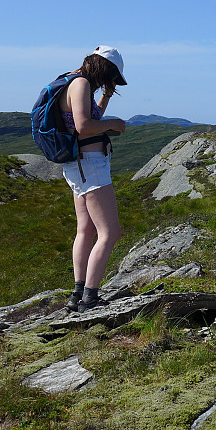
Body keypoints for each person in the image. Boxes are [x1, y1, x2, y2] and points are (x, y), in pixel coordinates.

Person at [59, 45, 128, 313]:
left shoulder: (72, 80)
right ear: (104, 68)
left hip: (79, 165)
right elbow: (84, 126)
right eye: (111, 76)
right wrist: (114, 124)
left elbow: (87, 117)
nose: (109, 83)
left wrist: (106, 98)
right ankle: (90, 298)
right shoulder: (80, 84)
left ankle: (78, 294)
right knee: (110, 232)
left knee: (85, 230)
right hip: (90, 166)